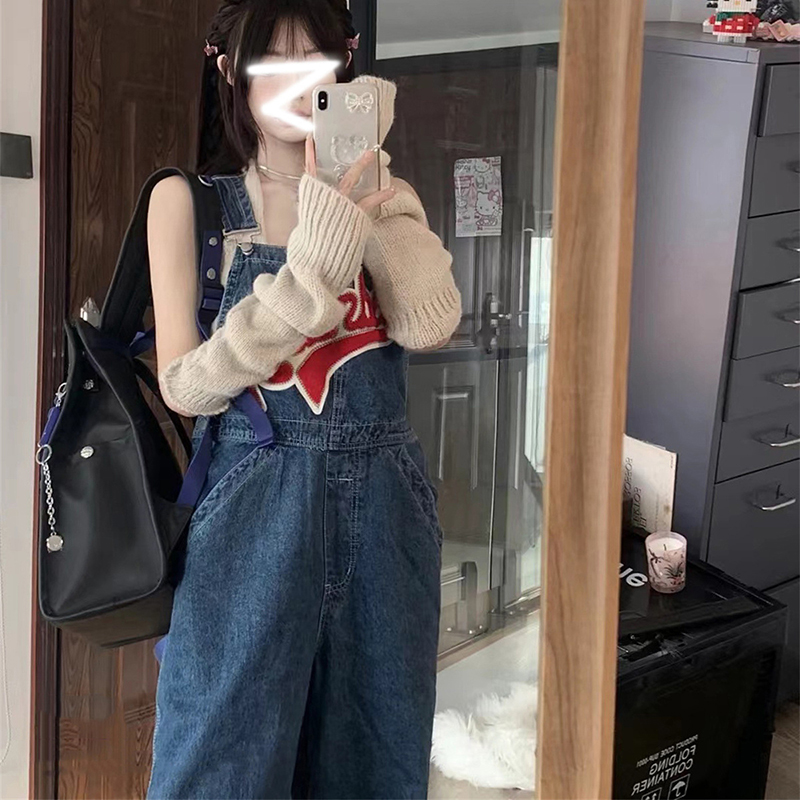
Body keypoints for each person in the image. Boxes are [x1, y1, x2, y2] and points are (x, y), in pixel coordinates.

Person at [144, 0, 461, 797]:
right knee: (220, 766)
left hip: (386, 511)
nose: (295, 84)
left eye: (315, 63)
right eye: (270, 63)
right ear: (229, 70)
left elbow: (429, 322)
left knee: (377, 760)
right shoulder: (192, 204)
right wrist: (313, 268)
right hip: (252, 509)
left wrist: (372, 198)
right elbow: (185, 388)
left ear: (346, 66)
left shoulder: (382, 194)